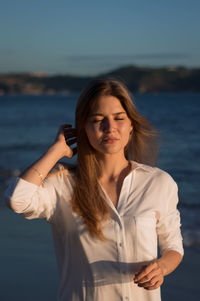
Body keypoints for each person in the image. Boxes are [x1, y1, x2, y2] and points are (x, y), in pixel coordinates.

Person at [5, 79, 184, 301]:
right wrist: (56, 151)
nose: (110, 128)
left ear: (131, 125)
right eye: (97, 120)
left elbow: (173, 247)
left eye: (119, 118)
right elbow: (17, 199)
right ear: (83, 128)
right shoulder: (62, 185)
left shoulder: (158, 182)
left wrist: (161, 267)